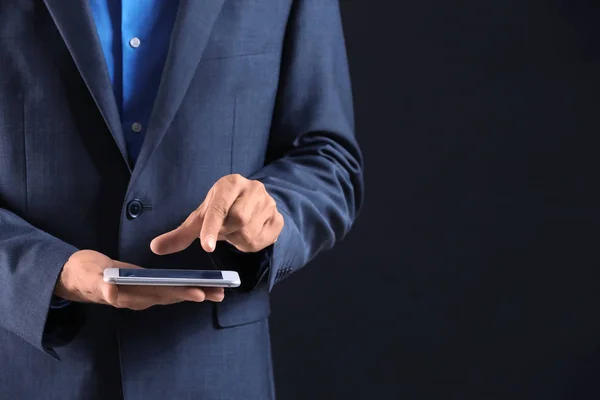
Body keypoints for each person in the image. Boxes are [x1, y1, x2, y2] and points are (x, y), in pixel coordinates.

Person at [0, 0, 363, 398]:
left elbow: (326, 158)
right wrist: (50, 272)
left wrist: (271, 210)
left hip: (215, 375)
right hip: (28, 371)